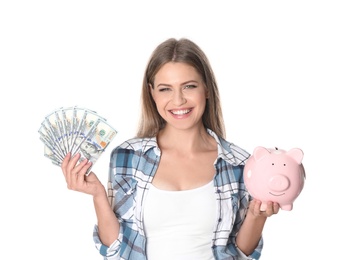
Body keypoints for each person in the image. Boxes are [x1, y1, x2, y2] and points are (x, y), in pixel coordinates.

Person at [61, 38, 280, 260]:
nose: (178, 100)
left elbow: (241, 254)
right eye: (165, 89)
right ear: (152, 93)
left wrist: (256, 216)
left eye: (189, 86)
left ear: (206, 88)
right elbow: (116, 249)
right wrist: (98, 194)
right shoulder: (127, 157)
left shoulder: (239, 163)